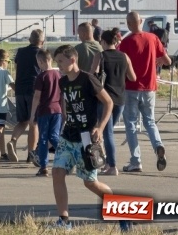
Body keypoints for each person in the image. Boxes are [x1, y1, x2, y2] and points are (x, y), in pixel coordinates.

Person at [50, 44, 114, 230]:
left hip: (86, 139)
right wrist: (64, 117)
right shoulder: (63, 82)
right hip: (67, 136)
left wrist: (100, 128)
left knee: (90, 182)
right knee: (57, 172)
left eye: (61, 61)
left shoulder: (88, 79)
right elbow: (65, 102)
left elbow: (108, 102)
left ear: (73, 59)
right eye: (57, 62)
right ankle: (64, 220)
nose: (58, 65)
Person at [119, 11, 171, 173]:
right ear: (141, 21)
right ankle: (158, 146)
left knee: (131, 125)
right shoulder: (153, 38)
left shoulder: (126, 42)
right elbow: (168, 60)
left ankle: (136, 160)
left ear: (128, 24)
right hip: (149, 87)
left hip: (131, 87)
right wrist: (159, 60)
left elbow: (121, 64)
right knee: (150, 121)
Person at [89, 28, 136, 176]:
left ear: (103, 41)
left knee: (107, 132)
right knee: (108, 131)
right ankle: (108, 162)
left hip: (104, 99)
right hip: (120, 99)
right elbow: (133, 77)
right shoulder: (125, 57)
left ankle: (112, 165)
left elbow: (92, 75)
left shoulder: (100, 56)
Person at [7, 29, 43, 165]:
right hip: (34, 90)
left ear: (29, 40)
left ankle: (13, 141)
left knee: (23, 121)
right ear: (42, 42)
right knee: (34, 123)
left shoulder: (20, 52)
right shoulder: (41, 54)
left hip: (20, 89)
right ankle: (31, 154)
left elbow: (17, 67)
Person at [29, 49, 62, 177]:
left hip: (44, 110)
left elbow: (37, 97)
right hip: (57, 110)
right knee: (54, 136)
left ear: (41, 61)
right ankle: (67, 156)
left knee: (43, 139)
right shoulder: (59, 75)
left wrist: (32, 114)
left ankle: (43, 166)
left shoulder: (41, 77)